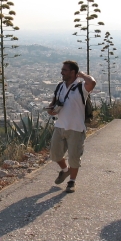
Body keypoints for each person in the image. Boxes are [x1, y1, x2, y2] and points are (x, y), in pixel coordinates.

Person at [46, 60, 96, 193]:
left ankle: (71, 181)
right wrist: (51, 109)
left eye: (64, 70)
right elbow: (54, 103)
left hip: (76, 128)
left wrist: (82, 74)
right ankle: (65, 170)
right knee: (55, 154)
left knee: (74, 157)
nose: (61, 72)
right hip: (60, 125)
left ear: (73, 72)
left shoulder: (81, 88)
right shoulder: (60, 86)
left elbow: (92, 83)